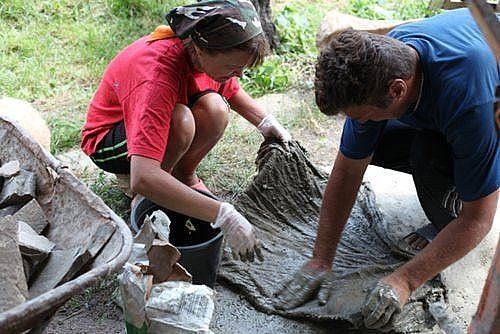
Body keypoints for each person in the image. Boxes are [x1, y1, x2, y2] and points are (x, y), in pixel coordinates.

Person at [275, 8, 499, 330]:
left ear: (397, 90)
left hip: (490, 102)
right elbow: (348, 170)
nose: (358, 122)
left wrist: (405, 280)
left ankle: (447, 215)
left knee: (429, 156)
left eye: (361, 114)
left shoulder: (469, 100)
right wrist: (321, 259)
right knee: (373, 141)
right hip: (461, 94)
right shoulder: (384, 62)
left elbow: (479, 220)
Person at [81, 0, 291, 262]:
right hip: (108, 139)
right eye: (233, 68)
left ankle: (183, 175)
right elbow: (142, 176)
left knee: (214, 108)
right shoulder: (158, 75)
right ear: (202, 50)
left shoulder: (200, 54)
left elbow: (230, 90)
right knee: (180, 121)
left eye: (242, 69)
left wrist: (265, 123)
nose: (237, 74)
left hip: (152, 117)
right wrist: (222, 214)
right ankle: (146, 199)